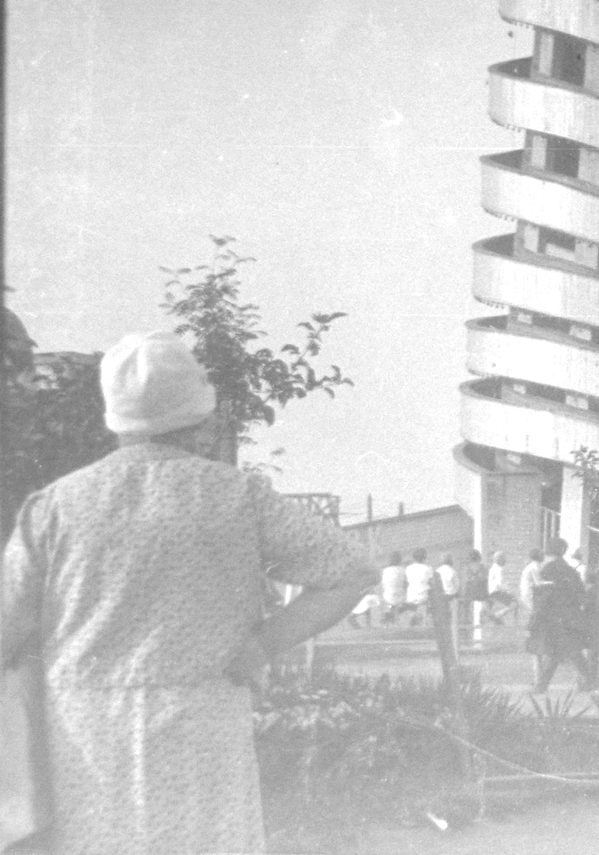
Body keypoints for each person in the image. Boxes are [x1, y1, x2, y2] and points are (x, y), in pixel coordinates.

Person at [0, 330, 375, 855]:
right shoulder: (237, 495)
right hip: (203, 720)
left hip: (88, 731)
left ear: (114, 414)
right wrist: (264, 645)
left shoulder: (56, 507)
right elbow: (352, 568)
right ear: (200, 417)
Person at [527, 538, 596, 694]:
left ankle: (588, 681)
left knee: (561, 652)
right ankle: (588, 682)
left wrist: (536, 617)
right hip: (571, 617)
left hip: (554, 618)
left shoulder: (547, 570)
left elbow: (544, 596)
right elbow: (580, 594)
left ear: (548, 551)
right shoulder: (570, 571)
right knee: (564, 652)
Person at [402, 547, 434, 627]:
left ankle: (414, 620)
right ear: (424, 558)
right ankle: (423, 622)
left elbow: (405, 583)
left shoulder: (408, 569)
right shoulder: (428, 568)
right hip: (423, 598)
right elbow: (431, 583)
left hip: (411, 596)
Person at [485, 550, 514, 624]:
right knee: (515, 604)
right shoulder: (499, 569)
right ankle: (498, 614)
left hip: (491, 592)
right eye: (504, 558)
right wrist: (509, 591)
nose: (505, 560)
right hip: (497, 592)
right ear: (499, 559)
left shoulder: (492, 568)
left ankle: (497, 615)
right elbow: (500, 583)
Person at [378, 550, 406, 624]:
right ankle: (394, 616)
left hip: (387, 596)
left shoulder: (385, 570)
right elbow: (405, 584)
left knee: (389, 595)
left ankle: (390, 615)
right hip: (400, 596)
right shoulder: (402, 570)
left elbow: (383, 584)